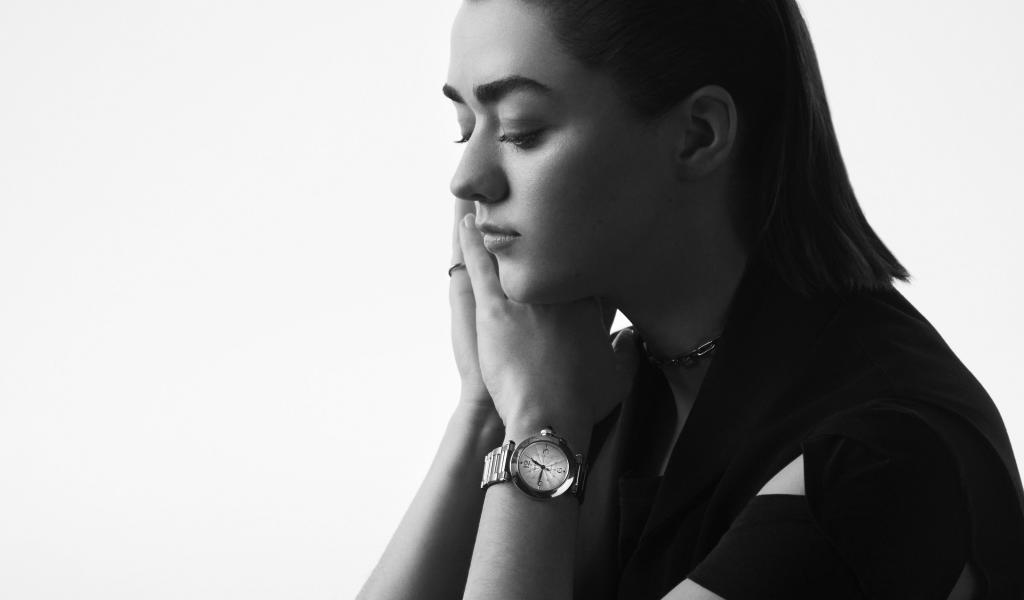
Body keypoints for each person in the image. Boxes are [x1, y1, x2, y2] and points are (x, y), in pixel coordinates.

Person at [357, 0, 1024, 598]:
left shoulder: (879, 464)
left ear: (698, 134)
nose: (466, 178)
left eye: (520, 130)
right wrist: (484, 408)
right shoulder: (613, 381)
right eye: (463, 127)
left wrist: (540, 429)